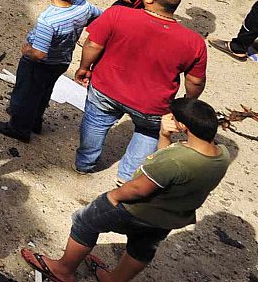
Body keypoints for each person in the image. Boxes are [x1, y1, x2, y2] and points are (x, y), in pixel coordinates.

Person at [22, 96, 229, 282]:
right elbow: (168, 166)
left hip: (138, 210)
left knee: (85, 221)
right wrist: (164, 135)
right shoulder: (221, 154)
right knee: (142, 248)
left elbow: (140, 188)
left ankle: (63, 270)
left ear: (183, 125)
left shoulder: (177, 159)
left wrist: (113, 196)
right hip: (170, 217)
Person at [73, 0, 207, 180]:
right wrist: (187, 103)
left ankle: (84, 163)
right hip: (153, 105)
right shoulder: (194, 42)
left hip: (106, 89)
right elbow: (195, 81)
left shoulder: (118, 14)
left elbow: (93, 44)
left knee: (96, 122)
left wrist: (84, 68)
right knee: (149, 133)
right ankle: (127, 177)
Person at [0, 0, 102, 143]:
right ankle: (35, 121)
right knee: (44, 91)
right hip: (62, 60)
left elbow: (40, 53)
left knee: (26, 94)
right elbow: (99, 17)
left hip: (40, 64)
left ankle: (19, 128)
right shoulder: (83, 6)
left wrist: (27, 51)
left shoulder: (48, 21)